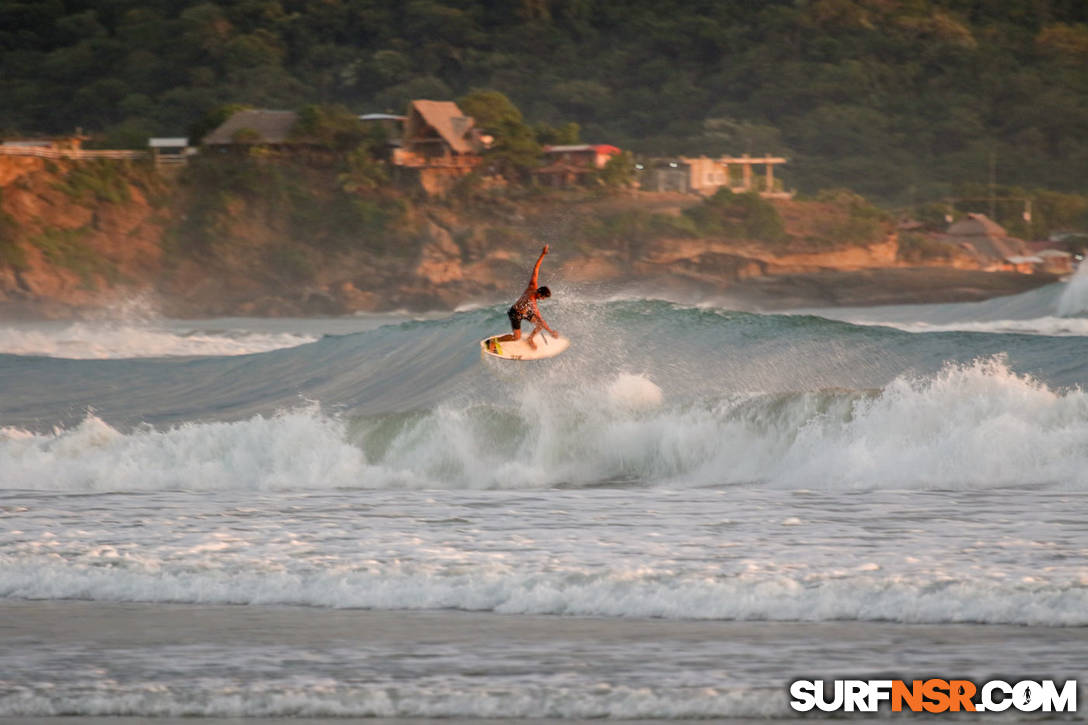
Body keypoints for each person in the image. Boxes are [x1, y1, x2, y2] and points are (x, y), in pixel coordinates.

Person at [496, 244, 558, 350]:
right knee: (517, 337)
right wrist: (551, 331)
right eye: (542, 297)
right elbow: (541, 318)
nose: (542, 299)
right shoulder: (532, 301)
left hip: (524, 312)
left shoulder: (533, 285)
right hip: (515, 313)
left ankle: (530, 339)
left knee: (539, 326)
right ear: (539, 293)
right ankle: (496, 341)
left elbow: (536, 268)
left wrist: (543, 254)